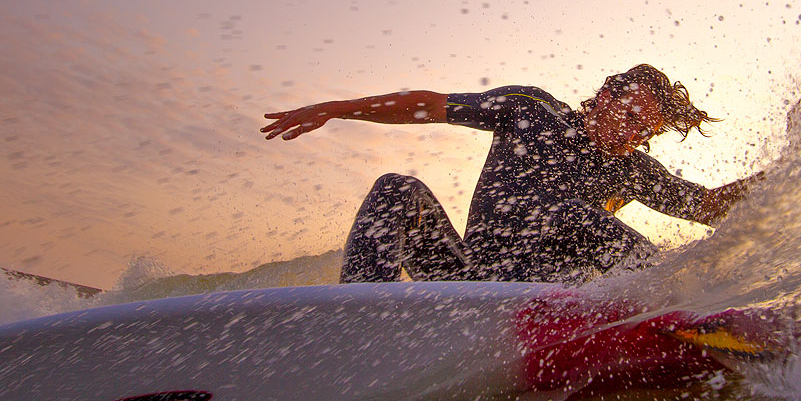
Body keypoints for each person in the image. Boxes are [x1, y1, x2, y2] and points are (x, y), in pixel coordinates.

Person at [262, 65, 763, 284]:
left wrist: (790, 172)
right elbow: (428, 104)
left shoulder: (630, 168)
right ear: (608, 94)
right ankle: (361, 319)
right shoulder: (529, 108)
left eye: (644, 130)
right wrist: (337, 108)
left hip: (542, 298)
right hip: (470, 279)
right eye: (631, 119)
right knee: (397, 190)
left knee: (565, 214)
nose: (632, 137)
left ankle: (663, 308)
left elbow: (706, 206)